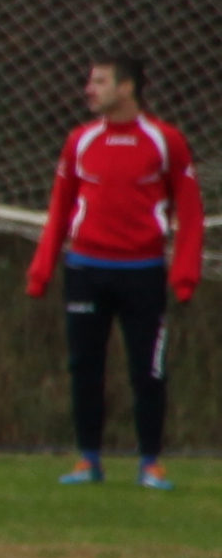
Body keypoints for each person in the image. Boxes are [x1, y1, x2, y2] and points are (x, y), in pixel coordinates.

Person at [27, 52, 198, 490]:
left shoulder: (165, 141)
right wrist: (41, 269)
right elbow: (60, 208)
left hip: (142, 273)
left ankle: (150, 462)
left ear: (126, 87)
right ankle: (88, 459)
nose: (89, 89)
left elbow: (190, 212)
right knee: (84, 365)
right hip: (86, 269)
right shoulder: (80, 140)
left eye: (99, 81)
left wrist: (183, 273)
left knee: (148, 369)